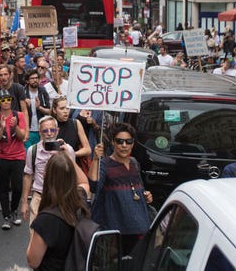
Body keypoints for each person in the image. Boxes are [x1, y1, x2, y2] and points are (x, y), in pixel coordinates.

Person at [89, 123, 152, 255]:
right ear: (112, 142)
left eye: (128, 141)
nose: (124, 145)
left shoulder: (134, 163)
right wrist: (95, 159)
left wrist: (147, 196)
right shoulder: (105, 164)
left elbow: (139, 189)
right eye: (120, 141)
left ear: (133, 143)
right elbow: (94, 186)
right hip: (116, 232)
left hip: (139, 228)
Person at [26, 153, 91, 271]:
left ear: (47, 178)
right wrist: (69, 159)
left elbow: (33, 261)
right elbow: (85, 182)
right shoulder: (79, 200)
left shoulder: (45, 219)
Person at [21, 116, 79, 224]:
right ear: (40, 133)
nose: (49, 133)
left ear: (57, 131)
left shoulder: (67, 149)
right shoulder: (32, 151)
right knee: (35, 234)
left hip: (62, 200)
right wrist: (24, 202)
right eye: (45, 130)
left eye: (52, 130)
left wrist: (63, 155)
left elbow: (74, 176)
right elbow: (28, 175)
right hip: (39, 197)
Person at [0, 90, 28, 230]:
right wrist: (2, 127)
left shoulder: (19, 115)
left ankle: (14, 210)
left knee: (17, 187)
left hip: (18, 156)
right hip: (2, 156)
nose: (6, 102)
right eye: (3, 100)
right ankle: (6, 216)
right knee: (3, 187)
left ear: (11, 101)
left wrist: (15, 126)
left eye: (8, 99)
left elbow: (22, 136)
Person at [52, 96, 91, 164]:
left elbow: (87, 149)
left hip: (73, 164)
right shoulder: (49, 124)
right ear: (54, 110)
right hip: (55, 164)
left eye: (67, 108)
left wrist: (71, 154)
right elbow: (44, 147)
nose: (65, 111)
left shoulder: (76, 123)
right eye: (62, 108)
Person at [24, 69, 51, 150]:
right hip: (27, 130)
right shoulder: (22, 92)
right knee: (28, 153)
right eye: (32, 78)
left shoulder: (43, 91)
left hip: (41, 130)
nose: (35, 80)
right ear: (27, 81)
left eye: (36, 78)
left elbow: (49, 111)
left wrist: (39, 107)